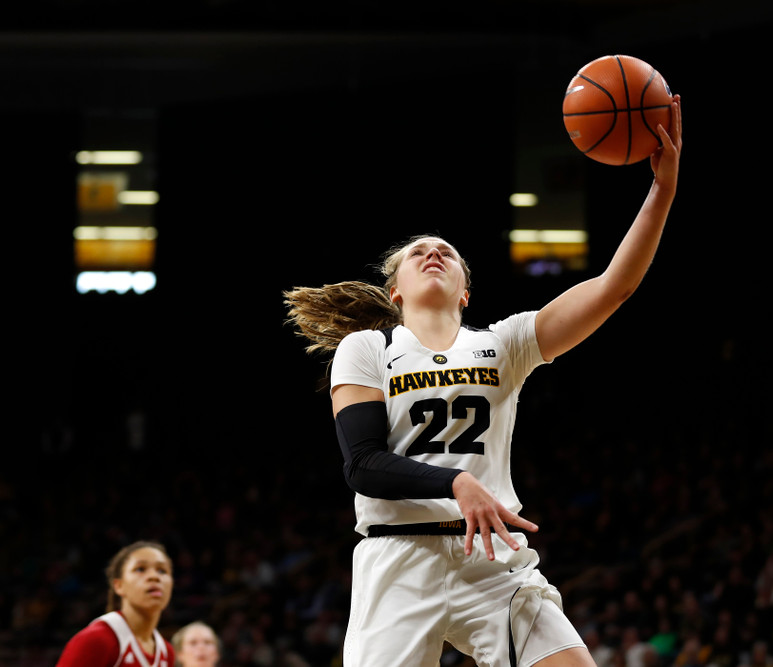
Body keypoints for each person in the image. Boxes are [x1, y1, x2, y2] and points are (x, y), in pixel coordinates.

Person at [284, 94, 682, 667]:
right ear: (394, 290)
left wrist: (661, 190)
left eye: (446, 252)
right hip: (399, 560)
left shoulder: (503, 343)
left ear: (466, 292)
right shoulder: (367, 348)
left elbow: (613, 286)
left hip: (493, 559)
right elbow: (363, 464)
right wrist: (457, 485)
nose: (434, 253)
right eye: (418, 252)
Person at [56, 540, 176, 667]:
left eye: (162, 571)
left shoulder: (167, 652)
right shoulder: (97, 639)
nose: (154, 576)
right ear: (118, 585)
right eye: (140, 569)